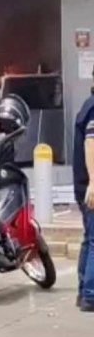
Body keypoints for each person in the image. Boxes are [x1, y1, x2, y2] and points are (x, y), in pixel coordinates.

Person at [73, 86, 94, 311]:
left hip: (84, 185)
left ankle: (83, 292)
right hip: (90, 186)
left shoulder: (88, 104)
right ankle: (91, 294)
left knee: (90, 239)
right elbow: (91, 144)